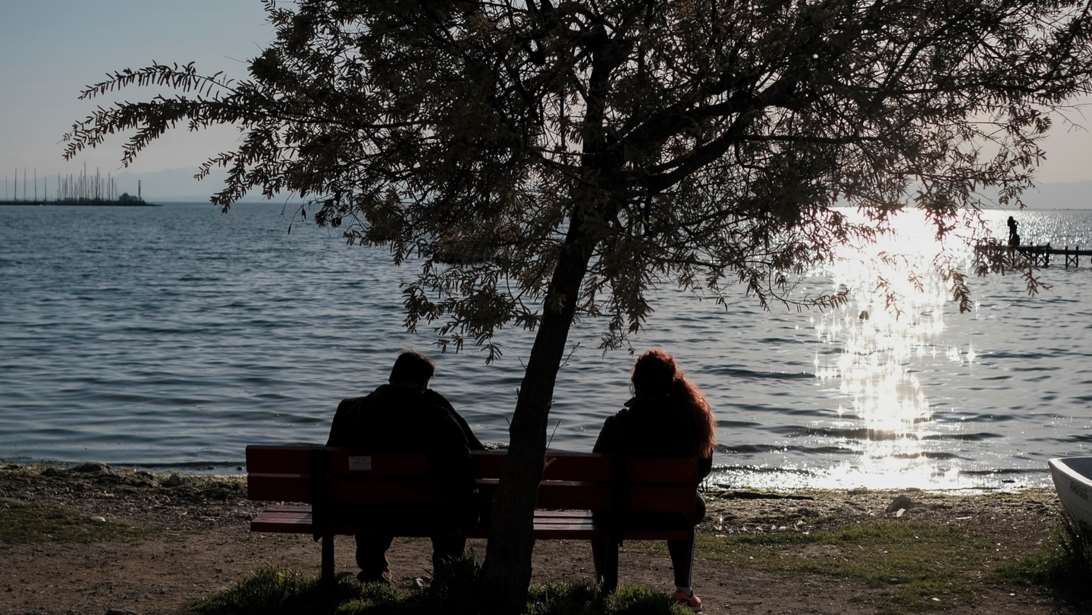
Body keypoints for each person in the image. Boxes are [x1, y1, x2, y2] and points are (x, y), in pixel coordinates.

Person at [326, 350, 484, 584]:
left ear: (392, 376)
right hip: (430, 512)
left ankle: (373, 567)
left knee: (369, 491)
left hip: (362, 508)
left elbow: (332, 463)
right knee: (451, 498)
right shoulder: (437, 414)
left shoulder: (349, 410)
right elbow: (475, 455)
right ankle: (446, 570)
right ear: (424, 384)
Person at [592, 349, 715, 612]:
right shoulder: (690, 424)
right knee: (688, 502)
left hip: (622, 514)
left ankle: (607, 587)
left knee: (602, 505)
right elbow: (703, 468)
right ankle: (683, 590)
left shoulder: (617, 425)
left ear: (636, 384)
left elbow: (596, 471)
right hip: (672, 514)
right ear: (671, 383)